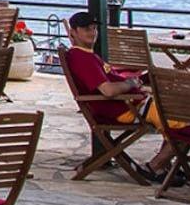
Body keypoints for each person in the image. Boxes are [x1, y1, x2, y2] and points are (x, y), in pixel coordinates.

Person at [60, 10, 177, 179]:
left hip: (130, 104)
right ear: (73, 32)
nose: (92, 33)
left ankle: (164, 165)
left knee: (177, 110)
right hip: (125, 109)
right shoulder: (82, 58)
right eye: (86, 29)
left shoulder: (86, 56)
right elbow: (108, 90)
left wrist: (137, 82)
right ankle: (156, 166)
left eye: (94, 28)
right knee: (183, 122)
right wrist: (131, 84)